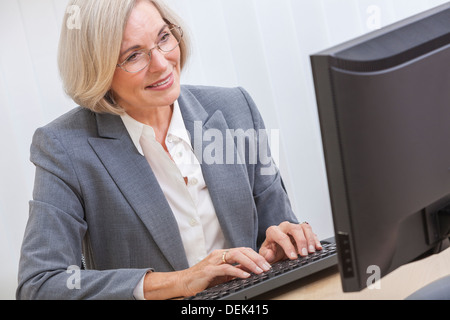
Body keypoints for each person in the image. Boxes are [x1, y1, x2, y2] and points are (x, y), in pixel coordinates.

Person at [16, 0, 322, 300]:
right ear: (98, 70)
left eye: (164, 38)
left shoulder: (234, 110)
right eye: (133, 56)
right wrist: (181, 282)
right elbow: (40, 285)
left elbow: (277, 226)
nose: (162, 64)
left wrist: (282, 245)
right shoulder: (64, 148)